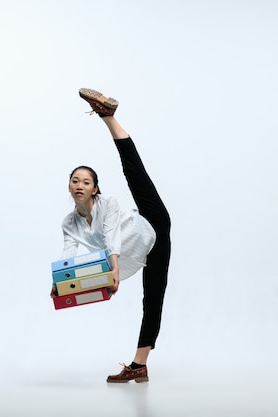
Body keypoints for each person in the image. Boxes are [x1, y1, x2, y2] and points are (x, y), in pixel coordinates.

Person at [50, 88, 171, 383]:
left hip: (151, 224)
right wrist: (59, 284)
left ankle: (108, 117)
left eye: (86, 181)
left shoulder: (109, 205)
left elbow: (112, 237)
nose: (80, 185)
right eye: (74, 181)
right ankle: (139, 366)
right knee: (151, 300)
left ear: (95, 188)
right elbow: (69, 255)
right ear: (69, 187)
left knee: (133, 171)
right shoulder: (70, 222)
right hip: (142, 253)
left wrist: (114, 270)